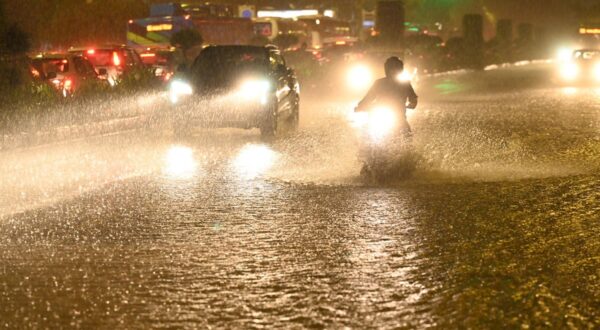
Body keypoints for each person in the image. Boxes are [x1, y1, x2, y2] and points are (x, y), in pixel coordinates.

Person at [355, 56, 418, 136]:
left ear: (400, 70)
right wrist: (361, 105)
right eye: (392, 69)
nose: (394, 72)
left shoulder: (405, 84)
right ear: (387, 70)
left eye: (397, 69)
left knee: (407, 134)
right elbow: (369, 97)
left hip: (399, 116)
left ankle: (408, 146)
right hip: (379, 115)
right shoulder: (379, 83)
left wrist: (413, 103)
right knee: (366, 132)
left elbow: (413, 97)